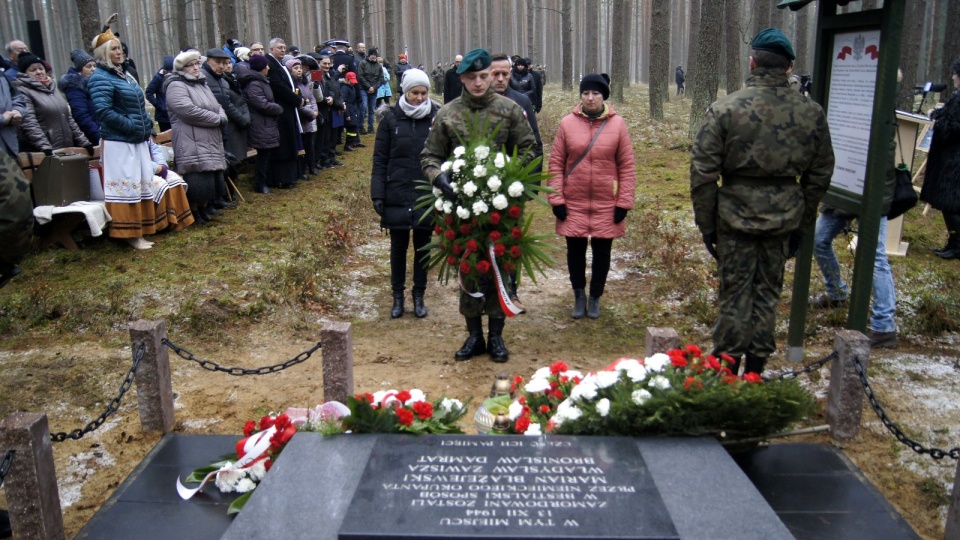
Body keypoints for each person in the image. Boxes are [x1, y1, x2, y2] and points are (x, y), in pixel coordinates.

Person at [690, 28, 835, 376]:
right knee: (767, 296)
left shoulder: (725, 109)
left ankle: (726, 376)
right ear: (788, 68)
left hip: (733, 219)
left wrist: (707, 225)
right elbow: (820, 174)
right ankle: (755, 372)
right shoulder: (810, 112)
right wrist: (803, 222)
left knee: (734, 296)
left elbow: (703, 174)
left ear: (753, 62)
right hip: (783, 219)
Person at [421, 48, 537, 362]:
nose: (479, 83)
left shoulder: (510, 109)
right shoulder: (447, 114)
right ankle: (474, 336)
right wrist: (439, 178)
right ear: (462, 77)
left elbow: (529, 150)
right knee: (470, 268)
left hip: (501, 208)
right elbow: (430, 156)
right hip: (461, 208)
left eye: (483, 76)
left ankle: (497, 338)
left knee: (501, 267)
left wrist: (508, 177)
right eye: (472, 77)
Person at [88, 32, 193, 248]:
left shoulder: (123, 75)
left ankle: (141, 230)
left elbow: (138, 105)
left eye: (120, 48)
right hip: (118, 143)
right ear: (103, 53)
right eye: (114, 49)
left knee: (140, 184)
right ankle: (128, 233)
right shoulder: (99, 77)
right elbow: (104, 111)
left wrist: (146, 125)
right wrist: (133, 126)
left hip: (135, 140)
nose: (119, 52)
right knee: (125, 187)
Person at [548, 73, 635, 320]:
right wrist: (557, 199)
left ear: (604, 95)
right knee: (574, 251)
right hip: (572, 199)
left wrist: (624, 202)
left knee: (602, 252)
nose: (590, 98)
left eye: (596, 93)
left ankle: (595, 296)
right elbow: (556, 163)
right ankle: (578, 295)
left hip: (606, 200)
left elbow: (627, 165)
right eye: (586, 93)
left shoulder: (618, 125)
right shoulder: (567, 123)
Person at [371, 69, 440, 319]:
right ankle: (397, 296)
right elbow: (380, 158)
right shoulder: (390, 119)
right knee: (398, 248)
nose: (420, 98)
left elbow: (444, 156)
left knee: (423, 248)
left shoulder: (436, 118)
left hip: (426, 192)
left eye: (424, 93)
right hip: (396, 190)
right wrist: (377, 194)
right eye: (415, 93)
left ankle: (418, 295)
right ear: (405, 91)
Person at [490, 52, 543, 310]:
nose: (500, 78)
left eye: (505, 73)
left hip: (513, 186)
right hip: (481, 186)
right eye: (495, 73)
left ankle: (511, 289)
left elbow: (535, 145)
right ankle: (486, 287)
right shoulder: (478, 103)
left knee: (511, 239)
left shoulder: (522, 101)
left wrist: (527, 185)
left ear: (510, 73)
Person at [163, 49, 228, 224]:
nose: (195, 68)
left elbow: (216, 105)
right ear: (182, 68)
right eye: (190, 65)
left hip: (208, 137)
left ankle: (206, 208)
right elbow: (187, 110)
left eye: (197, 64)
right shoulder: (175, 84)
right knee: (197, 177)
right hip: (190, 139)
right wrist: (216, 119)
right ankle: (194, 211)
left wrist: (221, 115)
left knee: (210, 176)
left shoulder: (201, 83)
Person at [920, 58, 960, 259]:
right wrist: (936, 112)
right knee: (950, 204)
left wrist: (936, 117)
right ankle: (953, 244)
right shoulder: (957, 97)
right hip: (952, 157)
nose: (952, 77)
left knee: (951, 203)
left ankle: (957, 246)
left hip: (953, 159)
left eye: (955, 73)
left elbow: (952, 127)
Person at [14, 53, 92, 153]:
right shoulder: (23, 91)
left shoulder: (52, 88)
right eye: (33, 70)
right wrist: (45, 147)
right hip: (44, 151)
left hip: (67, 147)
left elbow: (68, 118)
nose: (39, 72)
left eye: (41, 68)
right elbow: (30, 123)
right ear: (25, 73)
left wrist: (84, 141)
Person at [0, 71, 32, 286]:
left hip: (7, 144)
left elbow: (18, 97)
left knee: (17, 202)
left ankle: (5, 261)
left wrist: (18, 111)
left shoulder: (3, 75)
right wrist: (4, 118)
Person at [237, 54, 281, 194]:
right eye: (266, 65)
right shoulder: (254, 84)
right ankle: (259, 184)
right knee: (263, 155)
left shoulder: (261, 81)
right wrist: (278, 108)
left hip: (266, 124)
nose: (268, 67)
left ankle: (265, 181)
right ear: (261, 67)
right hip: (260, 124)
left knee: (266, 154)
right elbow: (261, 104)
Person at [265, 38, 305, 189]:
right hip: (281, 109)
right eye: (279, 47)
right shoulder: (270, 63)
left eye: (284, 47)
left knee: (289, 142)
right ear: (271, 49)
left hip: (288, 109)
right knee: (284, 145)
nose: (283, 50)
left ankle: (290, 176)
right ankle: (282, 178)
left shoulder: (280, 64)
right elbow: (278, 86)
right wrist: (296, 99)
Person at [59, 49, 101, 145]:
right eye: (88, 66)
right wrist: (98, 135)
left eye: (94, 66)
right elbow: (81, 115)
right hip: (91, 137)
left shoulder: (94, 84)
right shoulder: (74, 87)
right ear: (80, 70)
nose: (93, 69)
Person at [358, 47, 384, 135]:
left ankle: (370, 127)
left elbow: (381, 78)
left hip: (374, 90)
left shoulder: (378, 66)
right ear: (369, 55)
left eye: (375, 55)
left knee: (372, 109)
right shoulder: (363, 63)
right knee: (363, 107)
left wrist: (374, 87)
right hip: (363, 88)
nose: (373, 56)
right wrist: (368, 87)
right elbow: (360, 76)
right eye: (372, 55)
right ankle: (360, 126)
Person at [145, 55, 174, 132]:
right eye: (168, 72)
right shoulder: (158, 78)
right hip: (163, 117)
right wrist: (159, 105)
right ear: (164, 70)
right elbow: (148, 93)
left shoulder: (176, 77)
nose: (170, 74)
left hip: (174, 115)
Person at [341, 70, 363, 152]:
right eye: (351, 81)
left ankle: (353, 142)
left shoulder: (352, 87)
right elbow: (344, 102)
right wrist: (347, 115)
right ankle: (348, 144)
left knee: (354, 127)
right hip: (349, 110)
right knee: (351, 128)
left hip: (353, 109)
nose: (353, 83)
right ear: (347, 79)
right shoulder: (344, 89)